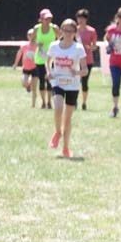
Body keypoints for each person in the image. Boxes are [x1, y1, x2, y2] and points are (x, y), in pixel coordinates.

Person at [45, 18, 88, 159]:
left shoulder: (78, 48)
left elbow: (85, 70)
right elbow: (48, 62)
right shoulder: (54, 46)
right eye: (65, 30)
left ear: (75, 32)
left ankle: (66, 147)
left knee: (68, 118)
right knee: (58, 108)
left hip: (73, 84)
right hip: (57, 81)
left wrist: (77, 72)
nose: (67, 33)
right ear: (61, 31)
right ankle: (57, 132)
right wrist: (48, 72)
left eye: (70, 31)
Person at [33, 9, 59, 110]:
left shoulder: (54, 28)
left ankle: (49, 102)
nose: (48, 20)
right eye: (46, 18)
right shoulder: (36, 28)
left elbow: (61, 38)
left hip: (52, 58)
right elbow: (32, 39)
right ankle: (43, 102)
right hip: (40, 58)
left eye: (49, 18)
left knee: (50, 80)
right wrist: (37, 43)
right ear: (41, 19)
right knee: (42, 80)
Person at [75, 9, 98, 110]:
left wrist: (90, 47)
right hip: (75, 59)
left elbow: (94, 45)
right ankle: (74, 101)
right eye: (79, 18)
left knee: (84, 82)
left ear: (86, 19)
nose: (80, 20)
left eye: (83, 18)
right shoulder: (74, 30)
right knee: (74, 81)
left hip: (87, 60)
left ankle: (84, 102)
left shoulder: (91, 31)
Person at [12, 29, 38, 108]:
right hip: (26, 68)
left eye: (32, 34)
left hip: (35, 68)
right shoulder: (24, 46)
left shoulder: (38, 45)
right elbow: (19, 54)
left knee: (34, 88)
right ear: (27, 36)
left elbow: (42, 55)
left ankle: (33, 105)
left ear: (35, 35)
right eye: (29, 35)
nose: (31, 36)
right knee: (24, 83)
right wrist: (15, 64)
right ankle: (28, 85)